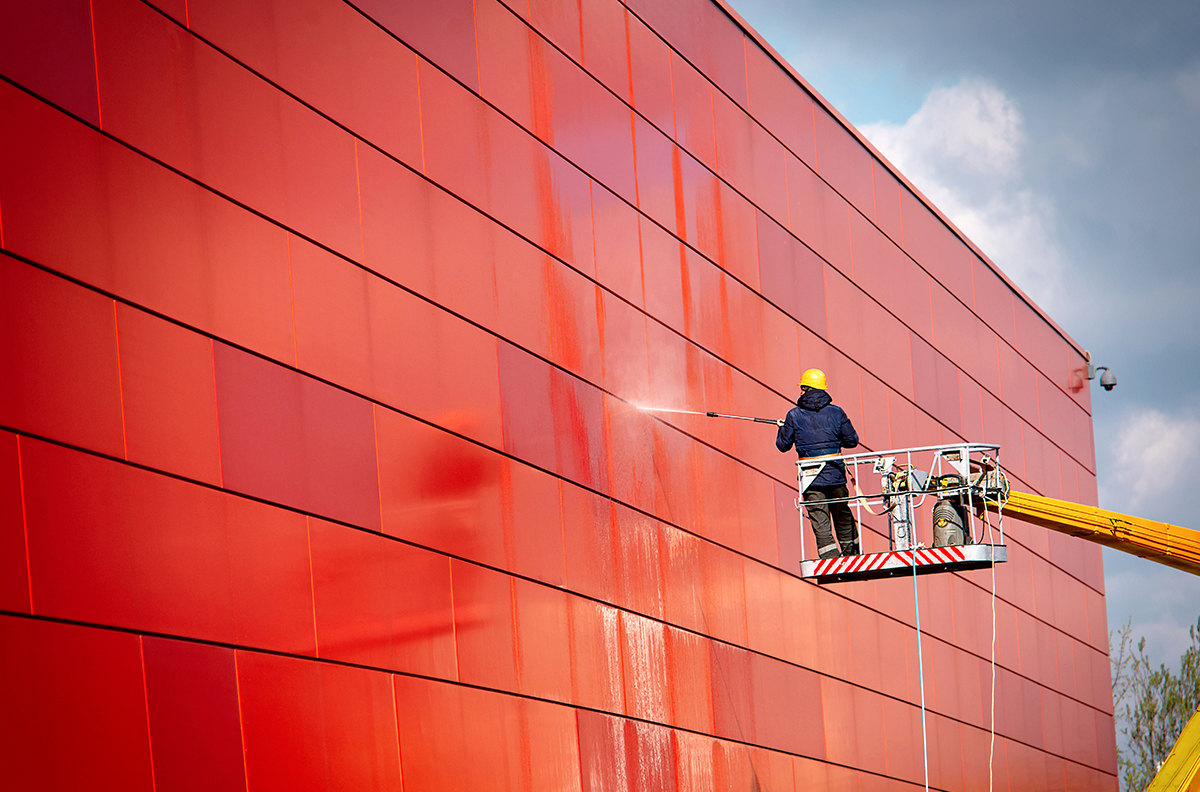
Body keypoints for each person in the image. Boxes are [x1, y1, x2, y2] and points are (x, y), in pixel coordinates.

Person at [776, 368, 861, 559]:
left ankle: (829, 558)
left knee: (819, 517)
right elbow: (852, 441)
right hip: (836, 474)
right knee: (841, 512)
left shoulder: (793, 415)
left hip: (810, 477)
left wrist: (782, 429)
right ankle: (852, 554)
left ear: (805, 389)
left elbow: (783, 445)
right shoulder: (837, 412)